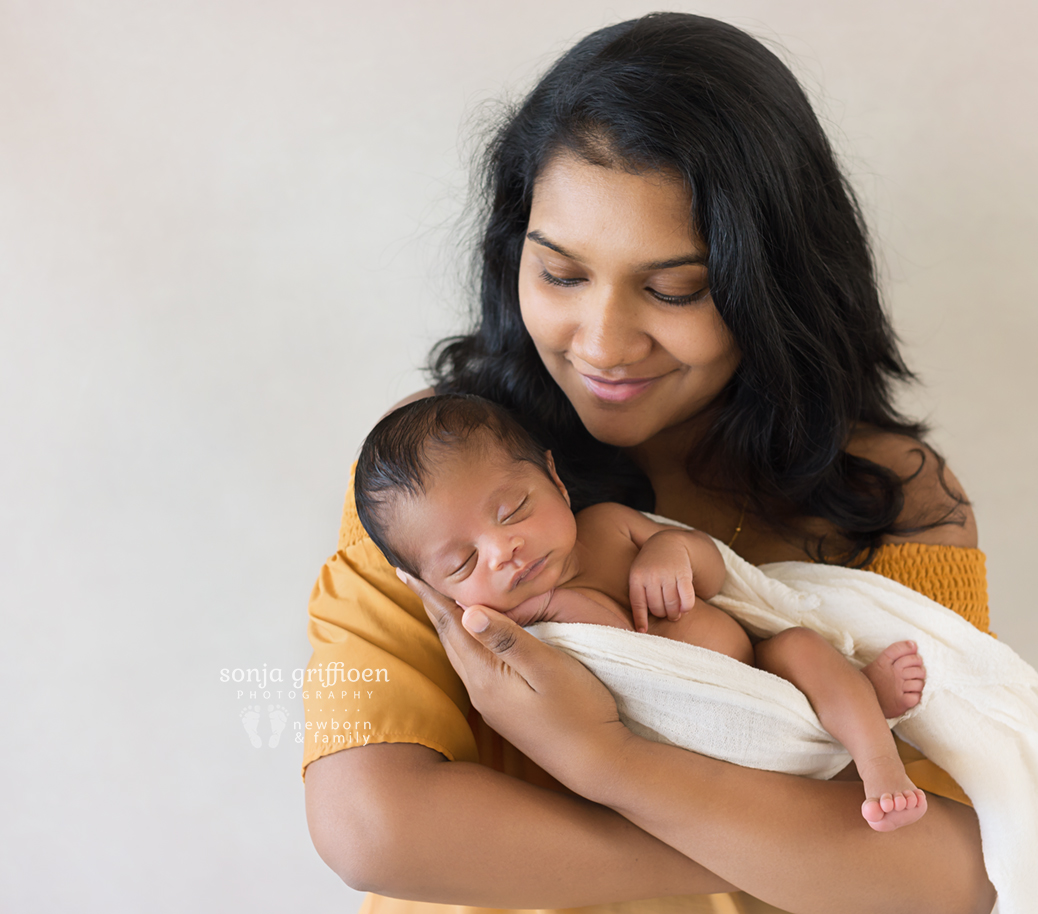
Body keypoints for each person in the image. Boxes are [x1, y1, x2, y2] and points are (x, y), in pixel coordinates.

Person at [304, 12, 997, 914]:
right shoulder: (441, 476)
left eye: (673, 289)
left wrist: (608, 760)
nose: (602, 344)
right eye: (559, 275)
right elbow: (374, 828)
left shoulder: (895, 497)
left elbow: (951, 878)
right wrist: (791, 852)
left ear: (773, 280)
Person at [353, 393, 930, 831]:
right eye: (461, 563)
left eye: (513, 510)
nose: (505, 550)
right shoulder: (512, 636)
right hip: (698, 755)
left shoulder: (609, 526)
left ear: (554, 479)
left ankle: (876, 754)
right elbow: (624, 653)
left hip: (763, 665)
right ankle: (844, 724)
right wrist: (556, 605)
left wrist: (667, 550)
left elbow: (714, 573)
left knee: (803, 645)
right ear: (435, 592)